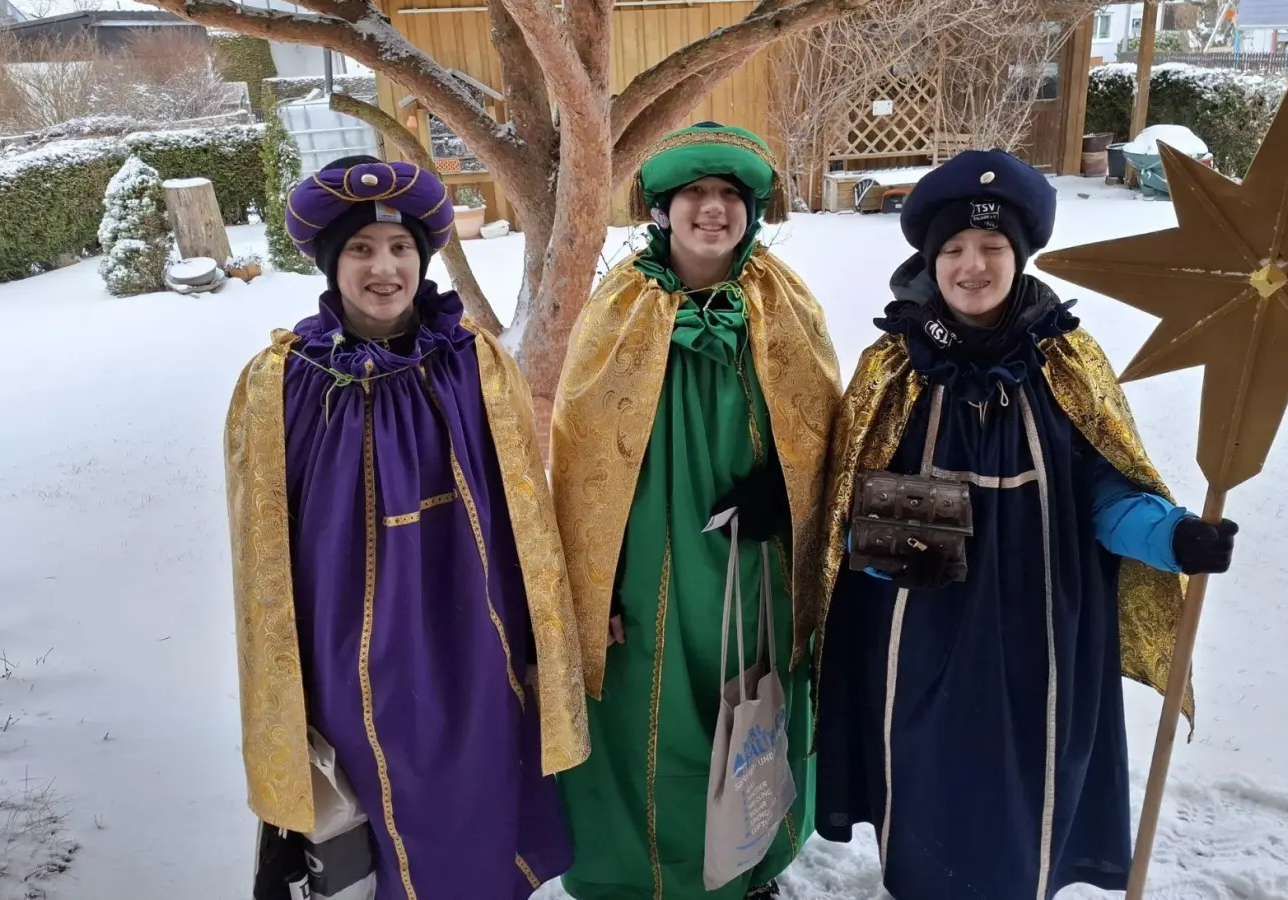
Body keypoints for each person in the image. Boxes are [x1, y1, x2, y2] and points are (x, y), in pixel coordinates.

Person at [806, 149, 1239, 900]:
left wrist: (1173, 537)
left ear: (1020, 255)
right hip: (916, 636)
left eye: (993, 248)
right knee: (924, 781)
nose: (973, 266)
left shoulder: (1066, 362)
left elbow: (1107, 494)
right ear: (930, 260)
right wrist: (865, 549)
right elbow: (843, 497)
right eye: (954, 250)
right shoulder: (891, 367)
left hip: (1041, 634)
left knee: (1028, 785)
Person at [224, 154, 590, 900]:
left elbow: (522, 507)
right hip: (344, 647)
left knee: (478, 795)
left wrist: (532, 640)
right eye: (360, 250)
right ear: (332, 263)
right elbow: (261, 545)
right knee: (373, 812)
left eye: (399, 249)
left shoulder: (472, 362)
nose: (382, 268)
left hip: (473, 633)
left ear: (423, 259)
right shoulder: (285, 381)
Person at [549, 123, 841, 900]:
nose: (712, 211)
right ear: (663, 211)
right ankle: (652, 878)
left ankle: (745, 865)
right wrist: (594, 586)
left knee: (750, 701)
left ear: (750, 211)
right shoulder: (618, 306)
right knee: (655, 718)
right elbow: (577, 457)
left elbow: (822, 421)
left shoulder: (784, 299)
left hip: (755, 555)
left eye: (729, 197)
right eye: (694, 196)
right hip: (643, 559)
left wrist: (787, 492)